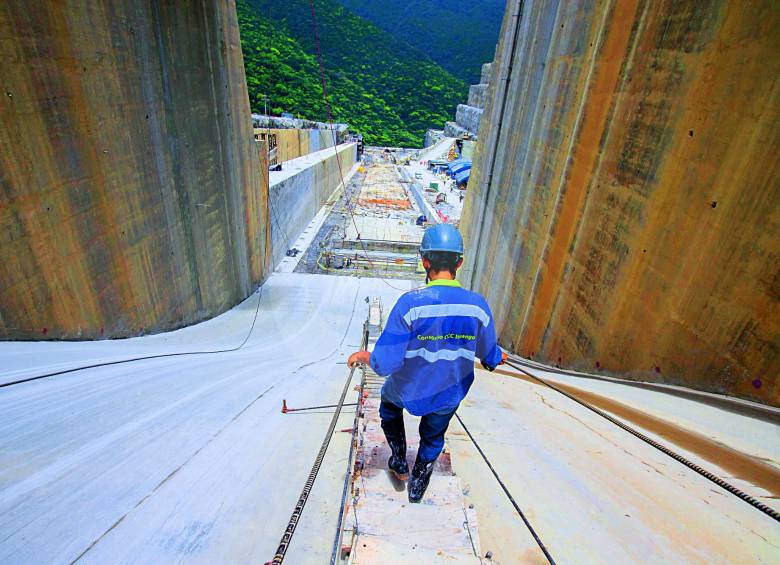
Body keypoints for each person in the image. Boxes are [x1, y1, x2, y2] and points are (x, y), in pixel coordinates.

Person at [348, 224, 507, 503]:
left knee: (389, 404)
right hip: (449, 393)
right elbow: (489, 355)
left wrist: (364, 356)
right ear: (459, 262)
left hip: (409, 389)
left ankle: (398, 460)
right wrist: (496, 357)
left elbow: (385, 364)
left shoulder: (410, 305)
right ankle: (419, 482)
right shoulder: (477, 306)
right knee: (434, 435)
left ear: (425, 261)